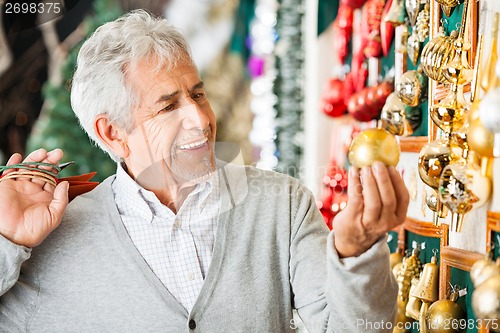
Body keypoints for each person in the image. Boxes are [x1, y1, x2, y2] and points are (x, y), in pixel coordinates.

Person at [0, 10, 409, 332]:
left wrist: (356, 250)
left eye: (198, 94)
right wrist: (7, 241)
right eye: (168, 106)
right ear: (113, 133)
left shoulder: (282, 205)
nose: (200, 118)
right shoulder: (49, 243)